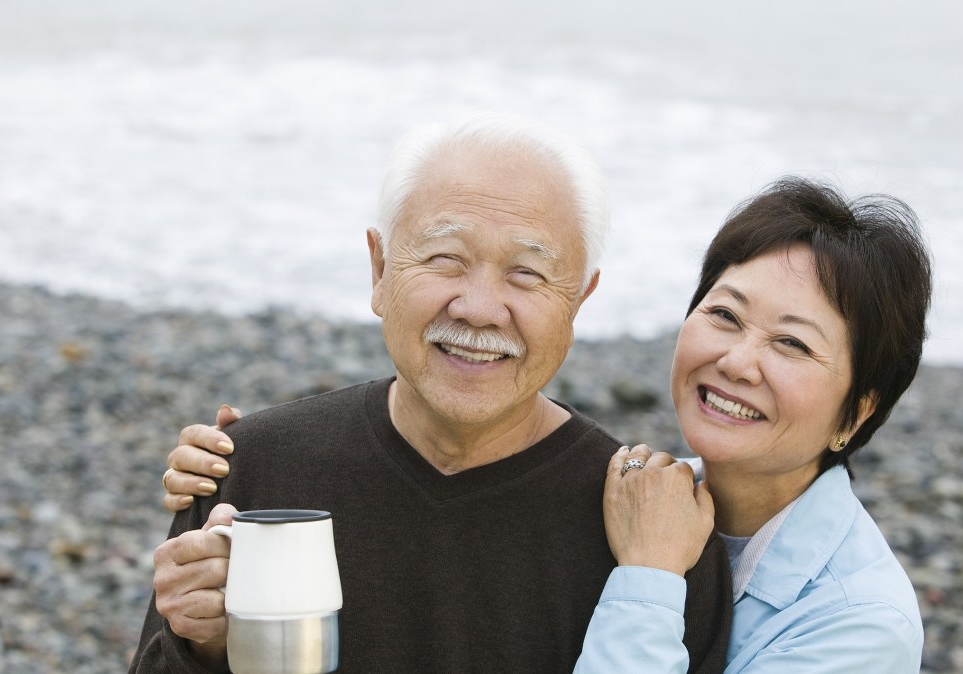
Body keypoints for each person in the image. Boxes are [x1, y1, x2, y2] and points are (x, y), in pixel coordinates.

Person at [167, 177, 932, 672]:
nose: (737, 361)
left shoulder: (859, 624)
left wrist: (650, 580)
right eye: (724, 316)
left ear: (858, 410)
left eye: (792, 344)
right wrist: (247, 464)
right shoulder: (654, 497)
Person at [128, 114, 732, 674]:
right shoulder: (252, 472)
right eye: (446, 258)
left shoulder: (653, 534)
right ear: (380, 269)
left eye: (527, 272)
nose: (478, 308)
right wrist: (202, 645)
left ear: (580, 299)